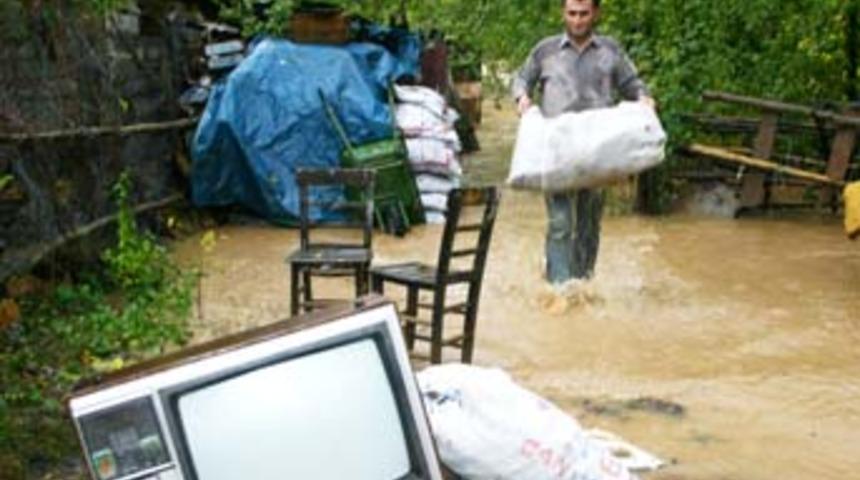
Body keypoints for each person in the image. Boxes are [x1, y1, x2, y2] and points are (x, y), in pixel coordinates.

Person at [511, 0, 654, 284]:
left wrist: (644, 98)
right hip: (556, 150)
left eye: (584, 14)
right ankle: (559, 288)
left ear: (596, 14)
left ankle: (583, 282)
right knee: (561, 223)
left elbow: (633, 84)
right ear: (563, 14)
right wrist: (522, 98)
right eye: (572, 14)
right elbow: (520, 79)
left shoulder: (610, 51)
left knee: (588, 224)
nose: (577, 20)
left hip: (597, 150)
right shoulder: (546, 50)